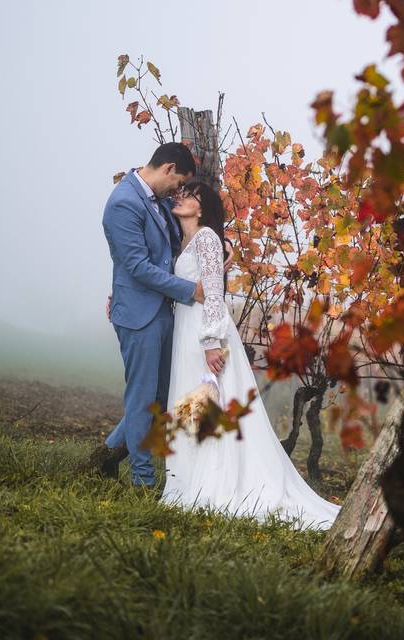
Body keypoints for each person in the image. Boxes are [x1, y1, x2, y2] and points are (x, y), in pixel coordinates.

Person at [160, 180, 340, 530]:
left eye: (190, 195)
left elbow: (214, 290)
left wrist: (212, 340)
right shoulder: (184, 240)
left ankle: (213, 482)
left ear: (202, 207)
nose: (180, 198)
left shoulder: (209, 238)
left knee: (209, 402)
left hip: (204, 332)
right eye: (180, 194)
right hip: (186, 330)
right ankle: (188, 476)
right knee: (191, 405)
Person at [83, 142, 204, 487]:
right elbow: (136, 265)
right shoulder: (123, 203)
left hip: (164, 310)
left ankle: (108, 452)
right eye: (178, 181)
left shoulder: (159, 199)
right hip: (139, 314)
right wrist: (189, 291)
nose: (177, 191)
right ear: (167, 168)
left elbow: (167, 249)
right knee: (142, 397)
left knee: (163, 395)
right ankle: (142, 478)